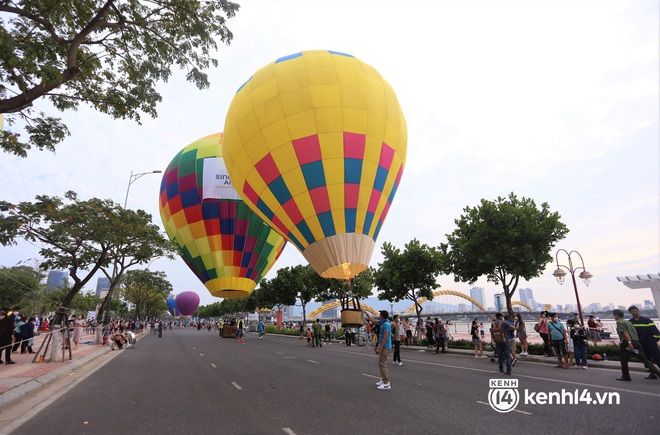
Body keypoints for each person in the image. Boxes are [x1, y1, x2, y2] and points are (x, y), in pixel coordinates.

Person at [613, 309, 660, 381]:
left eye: (614, 315)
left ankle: (625, 376)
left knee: (623, 359)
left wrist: (629, 343)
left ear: (616, 315)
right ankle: (657, 373)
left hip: (627, 345)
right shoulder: (628, 322)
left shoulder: (620, 323)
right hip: (636, 343)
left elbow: (625, 333)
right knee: (644, 360)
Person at [628, 305, 660, 379]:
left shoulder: (647, 320)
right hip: (640, 343)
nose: (635, 312)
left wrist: (655, 341)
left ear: (638, 311)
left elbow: (656, 332)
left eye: (636, 311)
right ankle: (652, 373)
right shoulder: (630, 322)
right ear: (630, 313)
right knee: (646, 359)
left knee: (657, 357)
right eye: (633, 311)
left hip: (650, 342)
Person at [365, 310, 392, 390]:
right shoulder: (382, 322)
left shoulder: (386, 324)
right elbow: (373, 320)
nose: (379, 314)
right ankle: (383, 380)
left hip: (385, 347)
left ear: (382, 316)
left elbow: (385, 337)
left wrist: (380, 348)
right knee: (381, 363)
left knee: (382, 364)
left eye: (380, 314)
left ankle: (386, 383)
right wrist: (366, 313)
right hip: (384, 346)